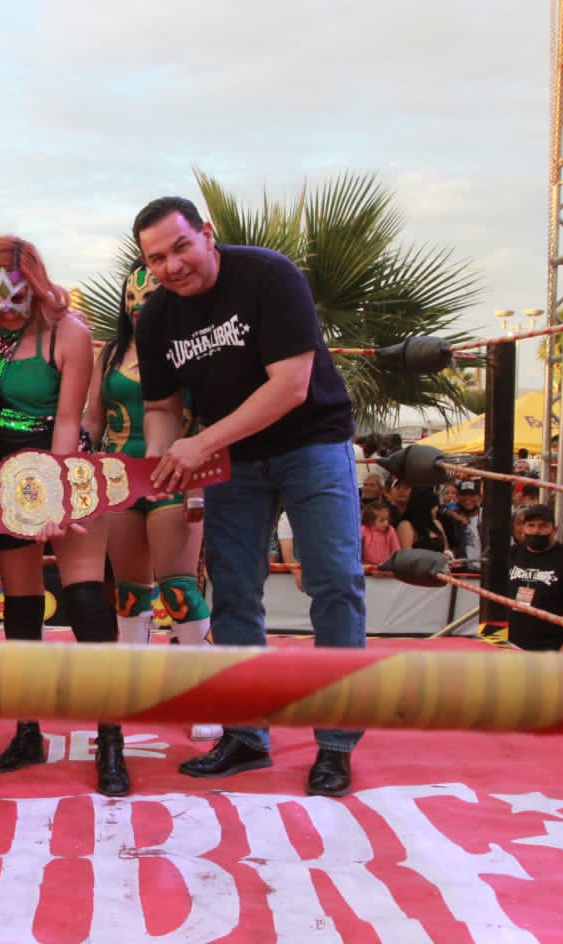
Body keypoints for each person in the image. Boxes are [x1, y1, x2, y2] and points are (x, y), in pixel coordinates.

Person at [133, 195, 366, 798]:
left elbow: (289, 386)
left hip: (310, 442)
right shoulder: (156, 315)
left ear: (207, 234)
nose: (172, 265)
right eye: (156, 258)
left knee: (334, 582)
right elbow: (161, 408)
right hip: (230, 461)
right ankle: (245, 734)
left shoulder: (269, 274)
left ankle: (336, 744)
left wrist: (198, 444)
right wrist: (162, 460)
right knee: (233, 589)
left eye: (180, 246)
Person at [0, 236, 123, 796]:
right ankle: (28, 732)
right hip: (1, 476)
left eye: (20, 295)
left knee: (86, 599)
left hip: (65, 470)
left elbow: (69, 421)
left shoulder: (68, 334)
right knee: (20, 605)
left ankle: (111, 739)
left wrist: (57, 495)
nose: (9, 306)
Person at [84, 260, 210, 650]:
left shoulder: (195, 349)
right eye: (132, 296)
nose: (139, 306)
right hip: (120, 480)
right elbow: (92, 422)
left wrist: (199, 488)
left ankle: (204, 692)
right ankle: (132, 686)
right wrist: (79, 472)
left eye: (150, 296)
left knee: (179, 588)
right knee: (128, 591)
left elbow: (207, 424)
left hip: (177, 476)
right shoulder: (109, 354)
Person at [505, 502, 563, 652]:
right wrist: (490, 638)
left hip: (551, 645)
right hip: (511, 642)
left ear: (554, 530)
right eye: (531, 525)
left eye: (543, 526)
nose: (536, 531)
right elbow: (493, 596)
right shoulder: (512, 554)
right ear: (523, 528)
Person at [360, 501, 401, 567]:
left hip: (385, 565)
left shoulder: (390, 530)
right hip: (366, 565)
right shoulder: (363, 530)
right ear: (370, 521)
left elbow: (396, 549)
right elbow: (358, 549)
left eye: (387, 519)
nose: (386, 523)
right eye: (382, 520)